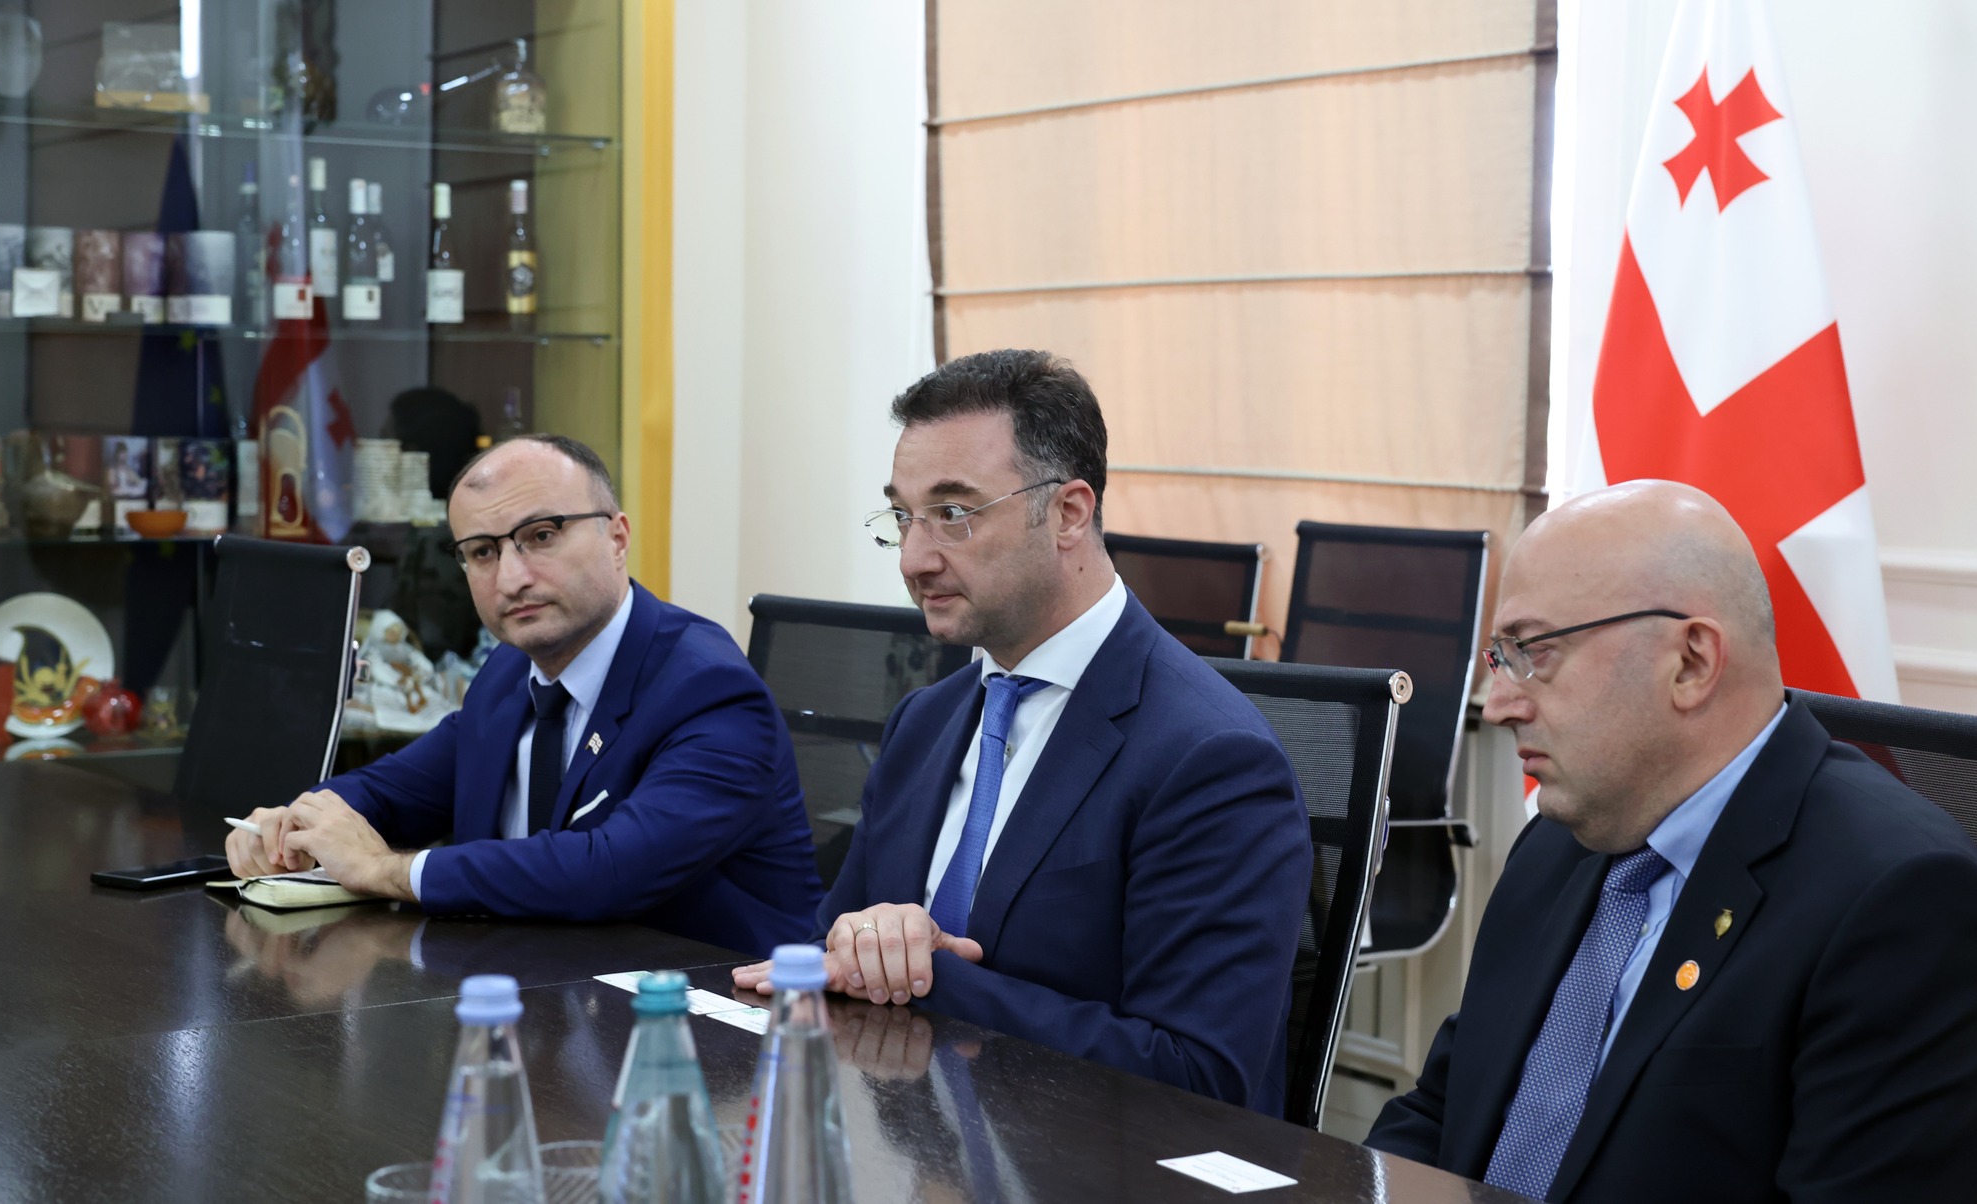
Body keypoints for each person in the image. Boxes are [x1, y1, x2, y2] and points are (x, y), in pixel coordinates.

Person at [1363, 480, 1977, 1203]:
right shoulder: (1561, 842)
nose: (1500, 705)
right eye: (1501, 659)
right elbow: (1444, 1112)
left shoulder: (1904, 905)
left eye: (1535, 652)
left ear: (1691, 663)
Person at [732, 349, 1310, 1115]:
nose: (914, 559)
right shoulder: (925, 722)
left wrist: (930, 975)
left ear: (1069, 513)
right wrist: (853, 949)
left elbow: (1196, 1078)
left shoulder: (1210, 758)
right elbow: (834, 949)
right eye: (903, 517)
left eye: (954, 514)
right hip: (906, 1137)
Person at [223, 434, 824, 957]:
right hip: (537, 992)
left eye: (541, 536)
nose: (512, 578)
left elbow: (609, 870)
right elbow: (392, 792)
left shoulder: (709, 690)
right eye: (483, 552)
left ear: (617, 538)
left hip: (711, 1020)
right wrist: (293, 824)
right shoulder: (510, 671)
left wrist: (384, 871)